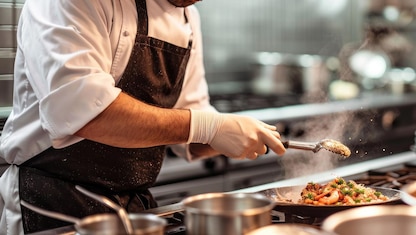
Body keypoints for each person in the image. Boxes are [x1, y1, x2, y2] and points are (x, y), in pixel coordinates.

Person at [0, 0, 287, 233]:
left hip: (134, 210)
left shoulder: (188, 17)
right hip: (52, 204)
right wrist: (210, 128)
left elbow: (190, 130)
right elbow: (85, 111)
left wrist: (236, 133)